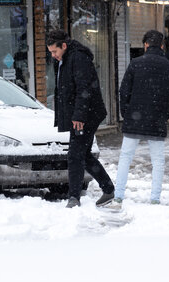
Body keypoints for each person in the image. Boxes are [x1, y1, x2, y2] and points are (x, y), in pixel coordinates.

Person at [46, 29, 114, 208]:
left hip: (87, 114)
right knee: (82, 154)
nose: (53, 55)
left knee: (75, 155)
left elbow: (85, 89)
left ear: (64, 46)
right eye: (51, 52)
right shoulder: (63, 59)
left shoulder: (78, 58)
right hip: (81, 113)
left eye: (55, 51)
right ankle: (108, 189)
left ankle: (74, 197)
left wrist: (79, 116)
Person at [114, 30, 169, 206]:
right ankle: (155, 198)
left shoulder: (135, 64)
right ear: (162, 46)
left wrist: (126, 113)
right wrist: (164, 114)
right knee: (158, 161)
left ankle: (119, 195)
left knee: (125, 157)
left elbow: (123, 91)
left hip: (134, 120)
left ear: (145, 45)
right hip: (156, 120)